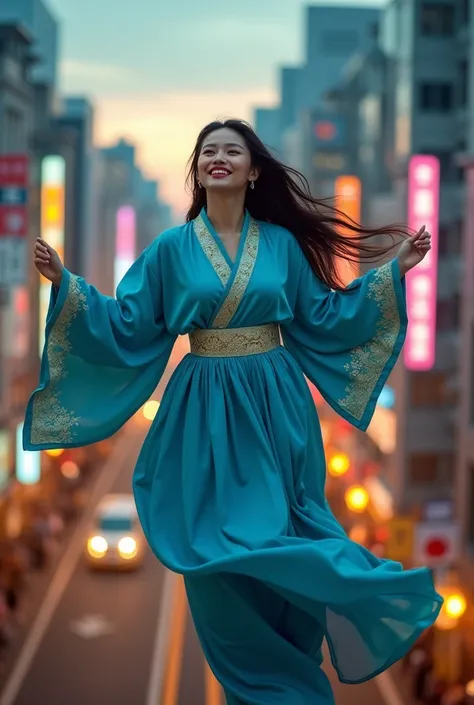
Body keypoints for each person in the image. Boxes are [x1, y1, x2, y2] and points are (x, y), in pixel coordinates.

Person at [25, 118, 442, 704]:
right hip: (202, 406)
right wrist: (67, 286)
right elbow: (127, 324)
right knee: (213, 559)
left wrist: (391, 271)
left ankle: (338, 615)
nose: (218, 158)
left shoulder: (281, 245)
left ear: (252, 172)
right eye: (208, 151)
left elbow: (324, 316)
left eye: (232, 151)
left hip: (276, 404)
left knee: (285, 530)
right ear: (196, 169)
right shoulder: (170, 249)